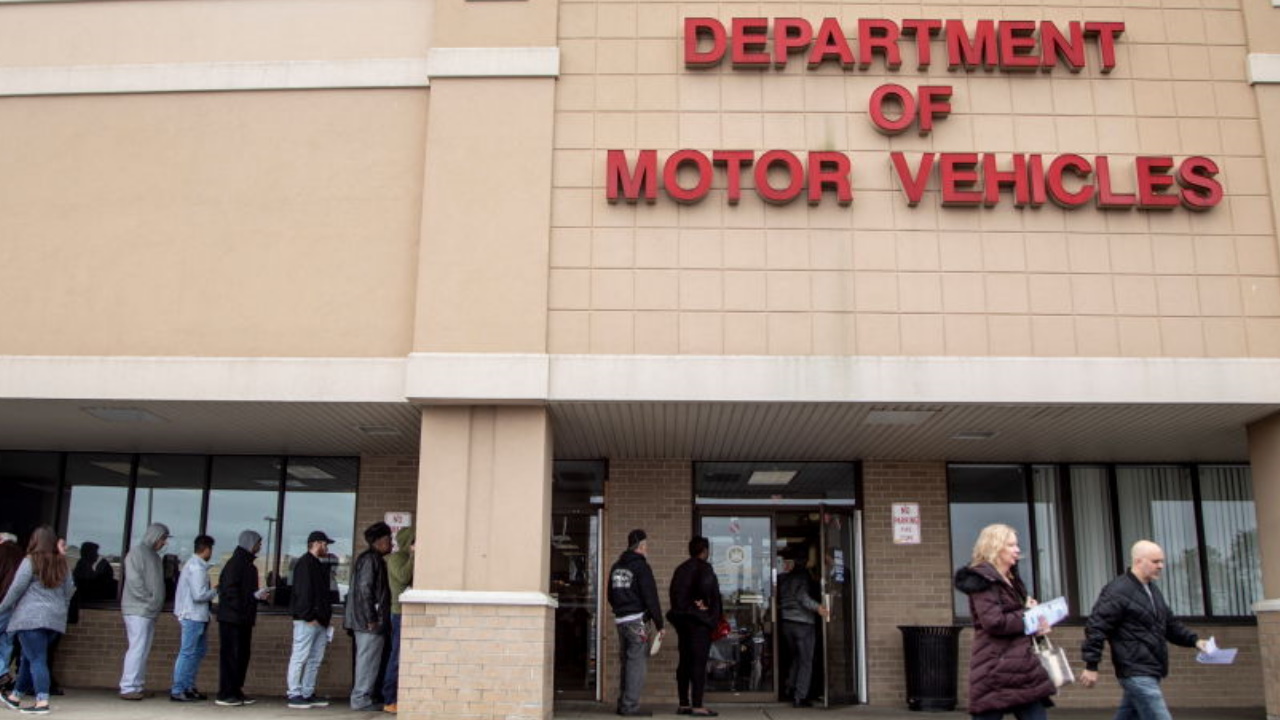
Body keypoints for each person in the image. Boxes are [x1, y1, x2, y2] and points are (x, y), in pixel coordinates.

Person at [1080, 540, 1209, 720]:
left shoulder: (1151, 590)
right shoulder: (1117, 591)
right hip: (1135, 671)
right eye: (1155, 561)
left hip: (1151, 668)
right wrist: (1091, 665)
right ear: (1139, 561)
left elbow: (1169, 624)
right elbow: (1096, 627)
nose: (1161, 566)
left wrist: (1195, 641)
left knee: (1128, 715)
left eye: (1162, 561)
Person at [953, 524, 1055, 720]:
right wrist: (1028, 615)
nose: (1017, 550)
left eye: (1016, 545)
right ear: (994, 547)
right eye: (1011, 545)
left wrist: (1037, 624)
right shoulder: (984, 580)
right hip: (996, 669)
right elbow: (994, 622)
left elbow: (1017, 618)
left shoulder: (1012, 579)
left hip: (1022, 667)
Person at [0, 526, 75, 715]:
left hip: (30, 618)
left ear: (35, 540)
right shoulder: (62, 563)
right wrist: (61, 610)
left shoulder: (30, 560)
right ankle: (15, 697)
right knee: (29, 657)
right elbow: (69, 590)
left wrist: (3, 607)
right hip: (55, 620)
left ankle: (42, 701)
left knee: (37, 659)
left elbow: (16, 588)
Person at [607, 529, 664, 718]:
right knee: (636, 664)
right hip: (637, 621)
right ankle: (630, 707)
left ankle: (623, 704)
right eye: (646, 545)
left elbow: (610, 594)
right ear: (641, 546)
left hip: (621, 621)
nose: (647, 549)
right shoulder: (641, 567)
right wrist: (659, 624)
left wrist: (620, 609)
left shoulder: (616, 566)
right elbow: (651, 597)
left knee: (627, 662)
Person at [667, 535, 721, 718]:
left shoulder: (680, 569)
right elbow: (710, 592)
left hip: (682, 622)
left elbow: (674, 595)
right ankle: (697, 705)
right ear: (704, 551)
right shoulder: (705, 568)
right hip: (699, 623)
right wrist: (707, 608)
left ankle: (683, 703)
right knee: (698, 663)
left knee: (684, 662)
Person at [119, 522, 170, 701]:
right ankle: (128, 687)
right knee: (137, 647)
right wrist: (149, 599)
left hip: (149, 610)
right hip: (137, 609)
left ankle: (137, 685)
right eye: (163, 539)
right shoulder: (136, 553)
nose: (164, 543)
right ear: (155, 536)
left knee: (143, 649)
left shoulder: (155, 557)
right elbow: (134, 581)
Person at [216, 530, 267, 707]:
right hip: (232, 619)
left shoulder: (247, 565)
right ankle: (226, 693)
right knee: (232, 655)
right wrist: (247, 602)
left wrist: (255, 597)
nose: (260, 547)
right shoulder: (236, 564)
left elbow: (241, 591)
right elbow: (229, 590)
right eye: (258, 543)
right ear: (250, 543)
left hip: (243, 618)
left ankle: (236, 690)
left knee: (242, 656)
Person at [287, 530, 337, 710]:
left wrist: (324, 618)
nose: (326, 547)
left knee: (315, 659)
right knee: (300, 656)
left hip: (320, 621)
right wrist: (308, 616)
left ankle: (307, 692)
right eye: (324, 544)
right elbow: (302, 593)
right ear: (315, 543)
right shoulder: (304, 564)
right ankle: (294, 693)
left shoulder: (317, 564)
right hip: (307, 620)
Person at [346, 522, 392, 712]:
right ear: (380, 541)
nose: (391, 544)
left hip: (366, 621)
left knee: (369, 660)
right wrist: (371, 618)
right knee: (367, 661)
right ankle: (360, 699)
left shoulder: (370, 559)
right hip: (368, 623)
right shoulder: (371, 560)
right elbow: (365, 590)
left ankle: (364, 696)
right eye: (389, 540)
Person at [778, 548, 829, 708]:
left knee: (796, 658)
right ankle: (800, 697)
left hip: (787, 623)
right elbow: (802, 597)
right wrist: (818, 607)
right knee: (806, 661)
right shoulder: (801, 577)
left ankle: (790, 688)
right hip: (803, 624)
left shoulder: (782, 579)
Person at [170, 534, 217, 703]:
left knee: (197, 652)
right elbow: (199, 595)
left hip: (198, 616)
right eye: (211, 549)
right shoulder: (197, 568)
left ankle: (188, 686)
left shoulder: (194, 565)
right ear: (206, 549)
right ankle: (178, 689)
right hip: (193, 616)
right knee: (188, 652)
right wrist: (216, 590)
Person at [382, 525, 415, 714]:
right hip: (398, 612)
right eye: (413, 541)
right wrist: (413, 557)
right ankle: (390, 698)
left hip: (407, 612)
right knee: (397, 656)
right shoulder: (396, 559)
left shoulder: (406, 558)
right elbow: (403, 577)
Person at [0, 532, 28, 692]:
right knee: (6, 641)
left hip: (2, 602)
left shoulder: (2, 552)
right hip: (17, 606)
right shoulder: (23, 557)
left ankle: (2, 672)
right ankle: (3, 675)